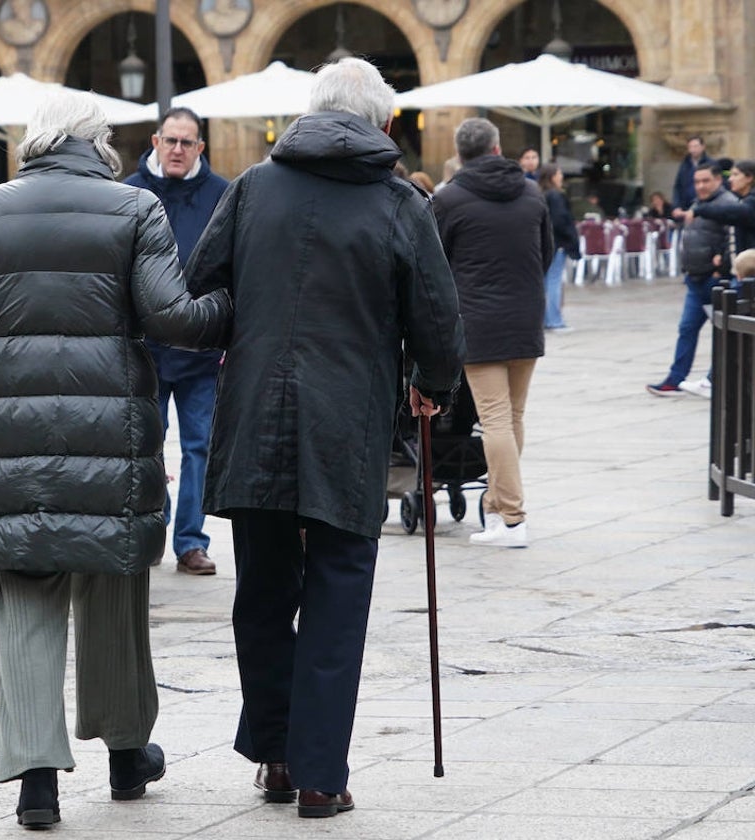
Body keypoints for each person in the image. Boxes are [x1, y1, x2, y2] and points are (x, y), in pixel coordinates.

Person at [0, 90, 232, 829]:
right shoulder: (133, 209)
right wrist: (229, 307)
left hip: (12, 434)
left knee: (27, 594)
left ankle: (37, 781)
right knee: (114, 590)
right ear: (97, 144)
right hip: (112, 432)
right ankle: (126, 754)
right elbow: (169, 318)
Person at [185, 57, 465, 820]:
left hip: (255, 416)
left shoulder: (251, 188)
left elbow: (203, 284)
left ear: (312, 113)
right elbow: (437, 318)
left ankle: (276, 757)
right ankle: (318, 775)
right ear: (380, 124)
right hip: (348, 423)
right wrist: (432, 386)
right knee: (339, 590)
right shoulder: (399, 202)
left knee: (266, 590)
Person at [432, 117, 551, 549]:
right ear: (498, 149)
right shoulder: (532, 192)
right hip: (525, 317)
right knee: (512, 416)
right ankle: (499, 511)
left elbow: (435, 264)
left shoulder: (449, 199)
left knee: (496, 418)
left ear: (460, 153)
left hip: (478, 322)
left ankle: (513, 518)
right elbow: (547, 253)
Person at [123, 107, 229, 576]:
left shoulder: (221, 194)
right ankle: (154, 527)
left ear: (200, 148)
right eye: (171, 141)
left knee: (200, 445)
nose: (178, 150)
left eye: (188, 143)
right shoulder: (130, 192)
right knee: (146, 444)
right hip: (145, 344)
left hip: (202, 345)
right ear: (155, 140)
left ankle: (190, 540)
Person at [648, 161, 739, 396]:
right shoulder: (698, 203)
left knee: (723, 332)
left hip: (715, 279)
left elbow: (732, 236)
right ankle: (676, 378)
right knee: (687, 328)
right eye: (697, 181)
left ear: (718, 180)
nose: (700, 186)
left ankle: (713, 379)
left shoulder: (727, 204)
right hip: (695, 279)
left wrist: (723, 265)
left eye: (706, 180)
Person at [537, 163, 580, 330]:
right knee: (554, 281)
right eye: (559, 173)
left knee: (546, 281)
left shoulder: (541, 194)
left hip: (546, 243)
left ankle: (546, 319)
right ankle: (554, 320)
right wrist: (570, 238)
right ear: (552, 176)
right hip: (558, 242)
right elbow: (561, 220)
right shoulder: (555, 196)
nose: (561, 177)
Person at [672, 135, 714, 212]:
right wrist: (676, 206)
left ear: (703, 147)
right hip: (685, 207)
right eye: (690, 147)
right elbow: (678, 186)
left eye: (695, 146)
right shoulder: (684, 164)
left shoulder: (711, 164)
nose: (693, 150)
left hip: (704, 206)